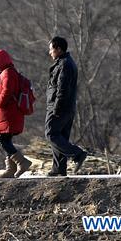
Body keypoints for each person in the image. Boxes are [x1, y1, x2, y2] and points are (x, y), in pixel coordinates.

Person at [45, 36, 87, 176]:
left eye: (51, 49)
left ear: (58, 49)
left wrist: (56, 108)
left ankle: (77, 154)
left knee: (51, 133)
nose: (50, 52)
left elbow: (62, 89)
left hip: (60, 107)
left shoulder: (64, 65)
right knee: (60, 135)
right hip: (66, 107)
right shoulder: (65, 63)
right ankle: (58, 168)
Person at [0, 49, 32, 178]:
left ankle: (22, 162)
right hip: (10, 113)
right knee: (6, 139)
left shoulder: (7, 73)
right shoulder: (10, 73)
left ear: (0, 63)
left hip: (8, 112)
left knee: (0, 138)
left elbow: (7, 91)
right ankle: (10, 170)